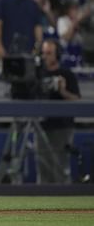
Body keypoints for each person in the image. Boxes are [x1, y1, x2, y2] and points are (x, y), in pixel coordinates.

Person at [36, 38, 80, 184]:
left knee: (61, 165)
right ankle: (42, 202)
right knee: (43, 165)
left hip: (63, 126)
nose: (45, 57)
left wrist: (63, 91)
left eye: (49, 53)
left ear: (58, 54)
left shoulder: (67, 74)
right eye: (43, 53)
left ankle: (64, 200)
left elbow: (76, 101)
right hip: (42, 126)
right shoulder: (37, 75)